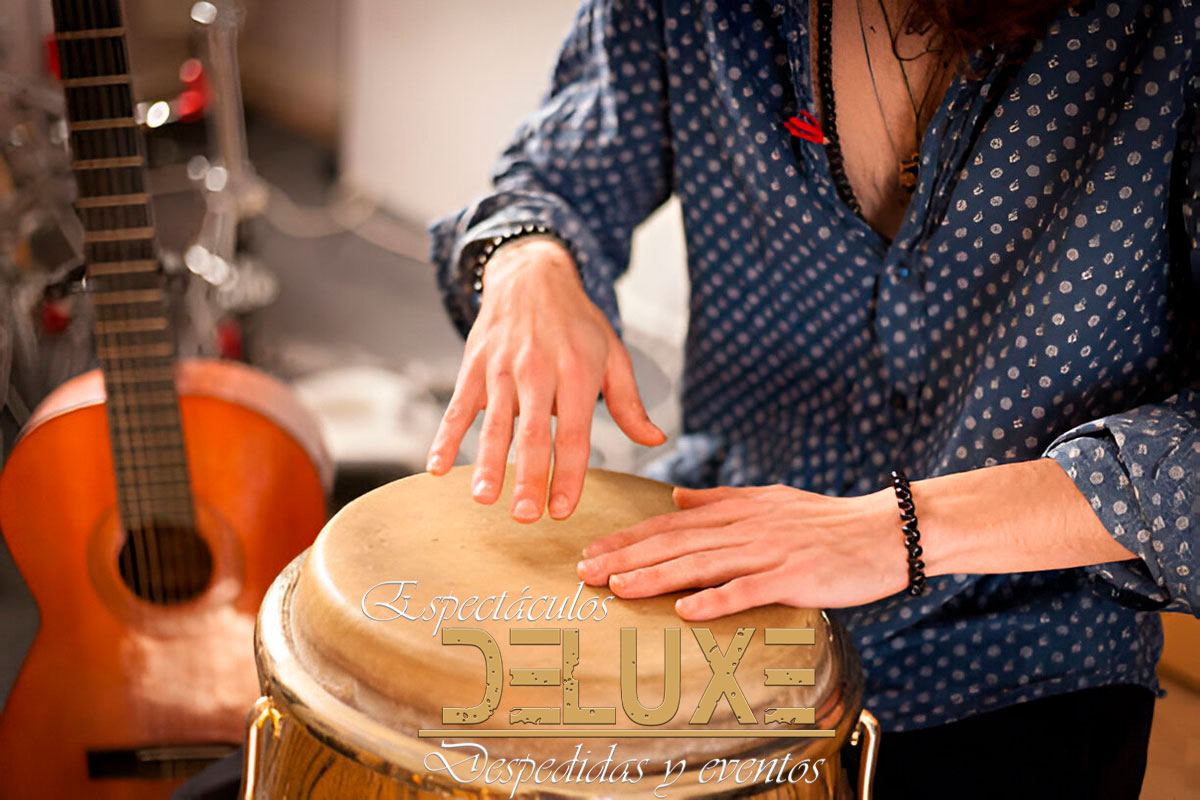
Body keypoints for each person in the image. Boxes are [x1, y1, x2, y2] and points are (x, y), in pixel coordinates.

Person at [428, 1, 1199, 797]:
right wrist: (526, 262)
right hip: (721, 578)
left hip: (1029, 647)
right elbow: (551, 183)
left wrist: (904, 528)